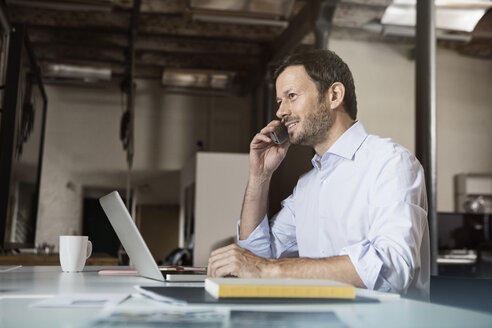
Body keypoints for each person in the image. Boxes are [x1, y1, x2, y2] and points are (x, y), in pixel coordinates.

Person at [207, 49, 430, 299]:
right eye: (280, 101)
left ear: (334, 95)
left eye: (291, 96)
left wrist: (267, 269)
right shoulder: (307, 186)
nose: (280, 112)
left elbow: (393, 270)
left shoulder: (390, 162)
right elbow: (256, 256)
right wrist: (259, 176)